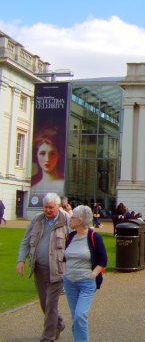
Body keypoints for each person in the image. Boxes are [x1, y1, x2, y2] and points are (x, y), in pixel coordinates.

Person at [16, 193, 70, 341]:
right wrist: (21, 260)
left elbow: (77, 242)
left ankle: (47, 337)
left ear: (58, 206)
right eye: (45, 207)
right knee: (44, 304)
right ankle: (58, 324)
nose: (48, 210)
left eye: (51, 207)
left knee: (51, 305)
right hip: (39, 269)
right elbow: (25, 241)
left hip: (58, 270)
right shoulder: (37, 220)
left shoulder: (67, 220)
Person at [64, 205, 108, 342]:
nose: (70, 219)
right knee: (75, 317)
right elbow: (65, 256)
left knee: (80, 315)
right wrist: (65, 272)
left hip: (86, 283)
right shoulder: (70, 236)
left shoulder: (95, 237)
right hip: (70, 282)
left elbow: (103, 260)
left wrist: (93, 274)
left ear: (81, 221)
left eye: (73, 217)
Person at [30, 128, 65, 196]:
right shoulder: (34, 189)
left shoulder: (64, 185)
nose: (47, 159)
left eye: (52, 154)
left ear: (59, 155)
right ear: (36, 155)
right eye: (42, 153)